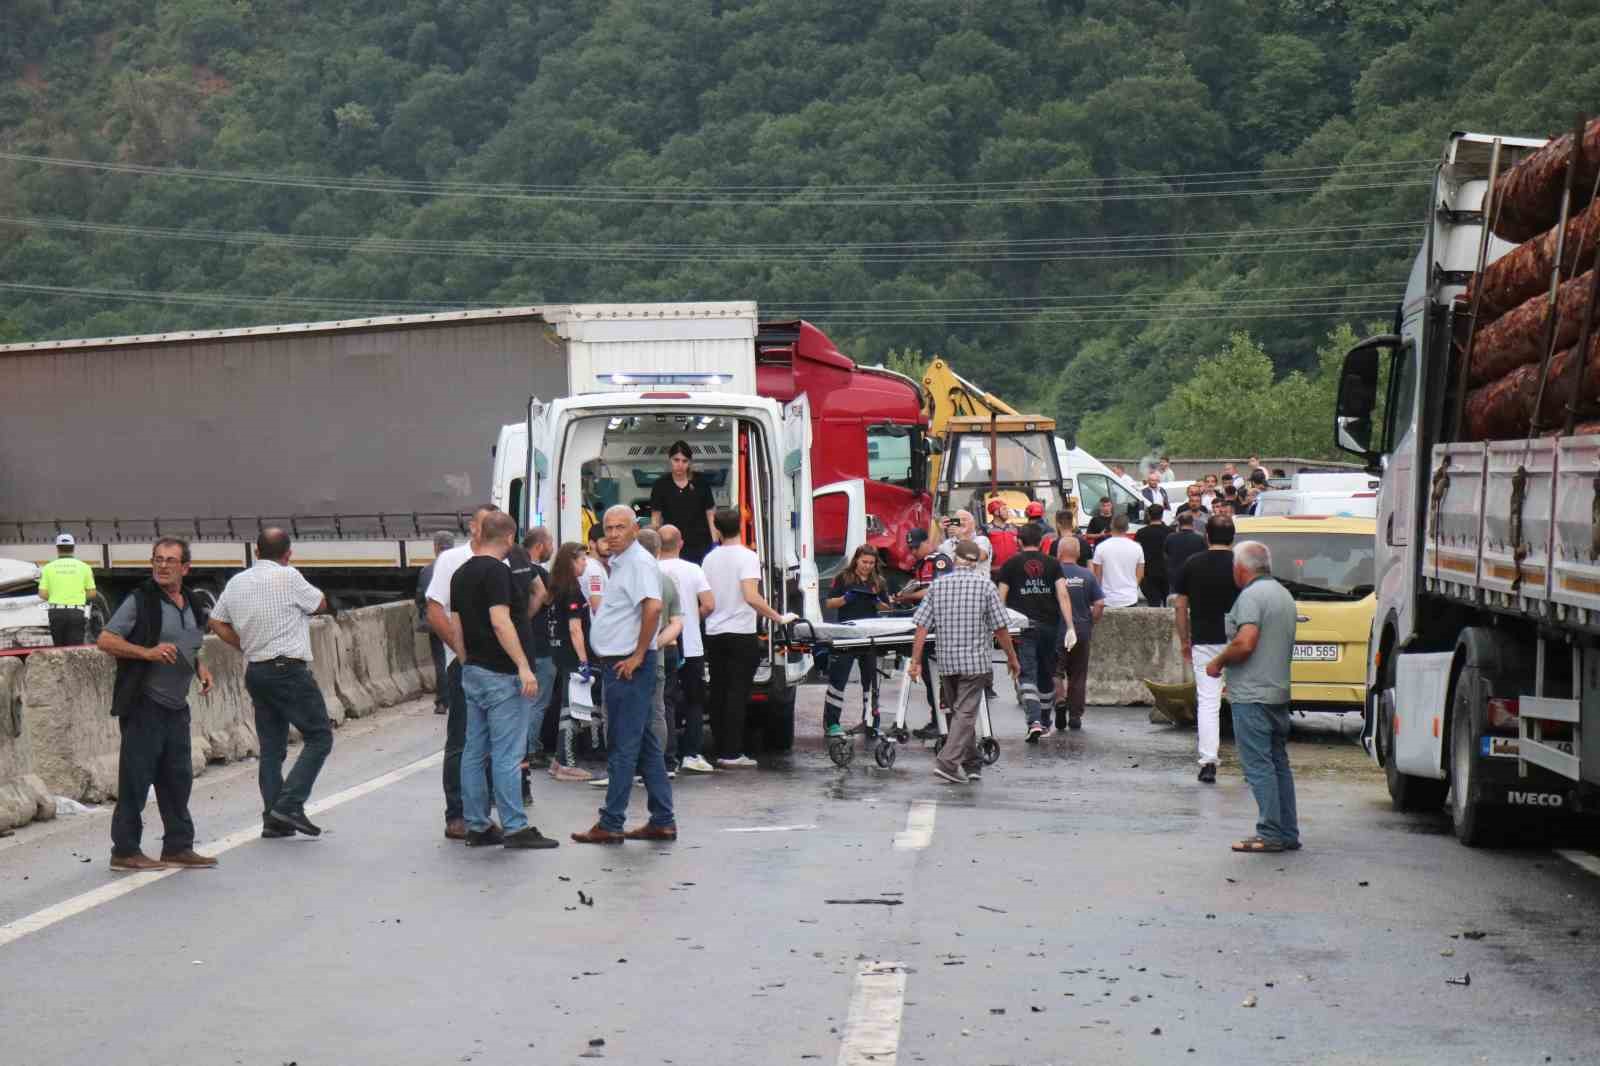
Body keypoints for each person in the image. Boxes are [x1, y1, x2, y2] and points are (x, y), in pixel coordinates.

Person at [97, 537, 216, 871]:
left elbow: (192, 644)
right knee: (135, 779)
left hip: (177, 707)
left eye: (170, 560)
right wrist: (146, 652)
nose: (163, 566)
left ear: (185, 568)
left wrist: (201, 668)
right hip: (144, 704)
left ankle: (178, 846)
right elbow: (105, 639)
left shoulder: (191, 601)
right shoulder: (141, 600)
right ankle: (124, 850)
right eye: (157, 560)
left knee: (178, 779)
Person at [209, 527, 333, 839]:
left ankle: (273, 819)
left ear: (256, 552)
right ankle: (290, 804)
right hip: (288, 671)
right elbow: (320, 604)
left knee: (272, 749)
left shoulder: (237, 582)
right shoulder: (289, 576)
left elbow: (216, 621)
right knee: (319, 736)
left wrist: (244, 645)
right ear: (288, 554)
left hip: (257, 671)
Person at [449, 510, 558, 849]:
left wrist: (465, 659)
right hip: (502, 674)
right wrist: (523, 667)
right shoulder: (497, 571)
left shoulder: (461, 573)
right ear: (510, 538)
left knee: (474, 751)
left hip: (474, 671)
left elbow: (456, 623)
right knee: (508, 753)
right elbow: (500, 620)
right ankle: (514, 826)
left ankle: (478, 824)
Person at [572, 506, 676, 844]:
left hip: (627, 667)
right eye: (609, 528)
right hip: (621, 663)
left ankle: (611, 822)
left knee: (623, 745)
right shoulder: (623, 563)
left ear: (634, 529)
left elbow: (654, 608)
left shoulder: (638, 563)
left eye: (620, 527)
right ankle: (662, 819)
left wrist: (638, 653)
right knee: (644, 744)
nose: (613, 533)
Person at [1206, 540, 1300, 854]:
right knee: (1277, 763)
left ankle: (1270, 832)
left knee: (1259, 765)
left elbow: (1245, 642)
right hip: (1277, 692)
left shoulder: (1250, 597)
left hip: (1252, 694)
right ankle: (1286, 830)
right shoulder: (1282, 595)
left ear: (1241, 568)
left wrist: (1218, 661)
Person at [909, 540, 1019, 785]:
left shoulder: (938, 586)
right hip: (975, 662)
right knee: (966, 714)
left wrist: (915, 660)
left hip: (947, 661)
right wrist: (1012, 658)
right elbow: (1000, 627)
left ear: (955, 558)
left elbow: (922, 626)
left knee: (959, 714)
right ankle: (947, 763)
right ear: (976, 560)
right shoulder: (985, 586)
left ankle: (971, 763)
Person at [426, 503, 498, 841]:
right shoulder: (451, 560)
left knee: (492, 743)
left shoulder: (503, 559)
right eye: (485, 524)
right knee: (461, 739)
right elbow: (435, 610)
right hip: (465, 663)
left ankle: (481, 811)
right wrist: (462, 653)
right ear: (472, 527)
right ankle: (456, 813)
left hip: (499, 666)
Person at [701, 508, 795, 768]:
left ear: (717, 530)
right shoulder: (748, 557)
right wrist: (778, 618)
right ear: (741, 526)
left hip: (714, 633)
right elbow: (751, 596)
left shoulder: (709, 559)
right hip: (741, 634)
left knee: (719, 694)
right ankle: (732, 753)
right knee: (736, 694)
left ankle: (721, 749)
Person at [1173, 515, 1241, 784]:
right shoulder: (1241, 565)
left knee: (1209, 702)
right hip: (1239, 639)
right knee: (1245, 700)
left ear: (1207, 537)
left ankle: (1208, 761)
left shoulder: (1192, 564)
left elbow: (1180, 606)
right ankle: (1252, 758)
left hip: (1204, 641)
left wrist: (1184, 640)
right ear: (1233, 537)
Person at [997, 524, 1076, 743]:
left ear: (1019, 542)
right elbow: (1063, 595)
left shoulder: (1010, 565)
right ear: (1042, 542)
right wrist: (1070, 626)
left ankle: (1034, 722)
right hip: (1050, 626)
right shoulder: (1053, 564)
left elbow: (1000, 598)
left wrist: (999, 627)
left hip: (1023, 627)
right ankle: (1045, 721)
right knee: (1045, 674)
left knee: (1026, 674)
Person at [656, 525, 715, 774]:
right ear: (680, 543)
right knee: (694, 700)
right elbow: (709, 604)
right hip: (690, 644)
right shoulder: (694, 569)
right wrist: (692, 617)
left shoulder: (652, 569)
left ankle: (666, 757)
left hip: (662, 644)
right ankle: (692, 753)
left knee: (664, 701)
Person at [822, 545, 891, 740]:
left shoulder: (879, 581)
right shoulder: (844, 578)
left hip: (870, 636)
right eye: (864, 562)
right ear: (856, 560)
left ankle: (870, 721)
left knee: (871, 681)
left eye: (871, 563)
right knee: (838, 679)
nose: (867, 566)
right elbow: (829, 603)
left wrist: (878, 601)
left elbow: (887, 608)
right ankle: (832, 723)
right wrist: (845, 598)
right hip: (847, 634)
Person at [894, 528, 952, 738]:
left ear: (927, 542)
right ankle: (937, 720)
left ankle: (945, 723)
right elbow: (916, 585)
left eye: (916, 547)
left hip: (941, 627)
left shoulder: (940, 561)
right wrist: (901, 595)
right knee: (929, 677)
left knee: (941, 678)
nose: (913, 551)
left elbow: (936, 589)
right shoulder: (921, 564)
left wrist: (908, 597)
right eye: (910, 548)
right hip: (927, 625)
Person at [544, 543, 594, 783]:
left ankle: (557, 759)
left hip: (558, 653)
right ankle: (566, 763)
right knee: (572, 710)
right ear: (570, 561)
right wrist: (584, 660)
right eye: (582, 559)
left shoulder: (555, 589)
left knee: (567, 705)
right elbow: (575, 628)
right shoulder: (572, 590)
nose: (585, 563)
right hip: (573, 656)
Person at [514, 527, 556, 801]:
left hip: (525, 647)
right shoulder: (537, 572)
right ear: (540, 545)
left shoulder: (512, 568)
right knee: (538, 702)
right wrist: (527, 619)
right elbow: (543, 596)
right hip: (540, 645)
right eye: (550, 543)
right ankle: (532, 748)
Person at [1053, 535, 1104, 731]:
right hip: (1082, 629)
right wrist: (1091, 622)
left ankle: (1059, 699)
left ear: (1059, 553)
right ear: (1079, 554)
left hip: (1058, 629)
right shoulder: (1087, 575)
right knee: (1078, 675)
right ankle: (1075, 716)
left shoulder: (1053, 574)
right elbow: (1099, 603)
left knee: (1055, 670)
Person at [649, 440, 718, 564]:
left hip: (701, 544)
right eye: (676, 460)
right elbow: (656, 519)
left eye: (684, 461)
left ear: (689, 462)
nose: (680, 464)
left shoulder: (700, 482)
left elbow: (710, 514)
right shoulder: (660, 485)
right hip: (672, 545)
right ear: (670, 459)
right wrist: (654, 545)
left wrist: (715, 542)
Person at [415, 530, 456, 715]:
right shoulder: (461, 566)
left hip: (436, 622)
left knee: (440, 661)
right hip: (457, 620)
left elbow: (420, 599)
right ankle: (459, 697)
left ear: (435, 547)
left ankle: (442, 701)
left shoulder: (426, 571)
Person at [39, 532, 95, 647]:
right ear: (73, 547)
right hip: (76, 612)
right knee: (75, 650)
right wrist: (77, 598)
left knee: (59, 651)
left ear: (57, 548)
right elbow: (92, 593)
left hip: (56, 613)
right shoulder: (84, 567)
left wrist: (57, 597)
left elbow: (42, 593)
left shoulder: (48, 568)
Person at [1091, 513, 1144, 608]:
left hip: (1107, 598)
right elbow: (1140, 573)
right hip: (1129, 598)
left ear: (1111, 526)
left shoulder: (1101, 547)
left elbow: (1097, 576)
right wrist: (1132, 588)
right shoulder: (1137, 547)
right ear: (1127, 528)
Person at [1133, 504, 1171, 607]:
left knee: (1153, 604)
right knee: (1167, 604)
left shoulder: (1141, 533)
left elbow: (1136, 554)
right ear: (1162, 515)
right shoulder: (1170, 531)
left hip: (1148, 572)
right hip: (1166, 571)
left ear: (1149, 515)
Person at [1165, 510, 1207, 579]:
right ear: (1192, 522)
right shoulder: (1199, 538)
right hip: (1194, 575)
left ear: (1179, 523)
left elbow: (1166, 555)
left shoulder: (1170, 538)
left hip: (1175, 575)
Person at [583, 522, 610, 613]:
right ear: (592, 544)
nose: (609, 545)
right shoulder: (593, 569)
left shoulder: (593, 565)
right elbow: (597, 606)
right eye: (605, 541)